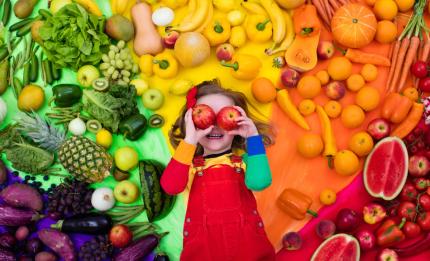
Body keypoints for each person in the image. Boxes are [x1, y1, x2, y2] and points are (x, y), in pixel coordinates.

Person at [160, 79, 276, 261]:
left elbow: (259, 181)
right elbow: (170, 186)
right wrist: (190, 139)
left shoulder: (246, 162)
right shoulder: (186, 166)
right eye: (206, 118)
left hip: (250, 253)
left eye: (224, 116)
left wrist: (252, 137)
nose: (214, 125)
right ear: (190, 121)